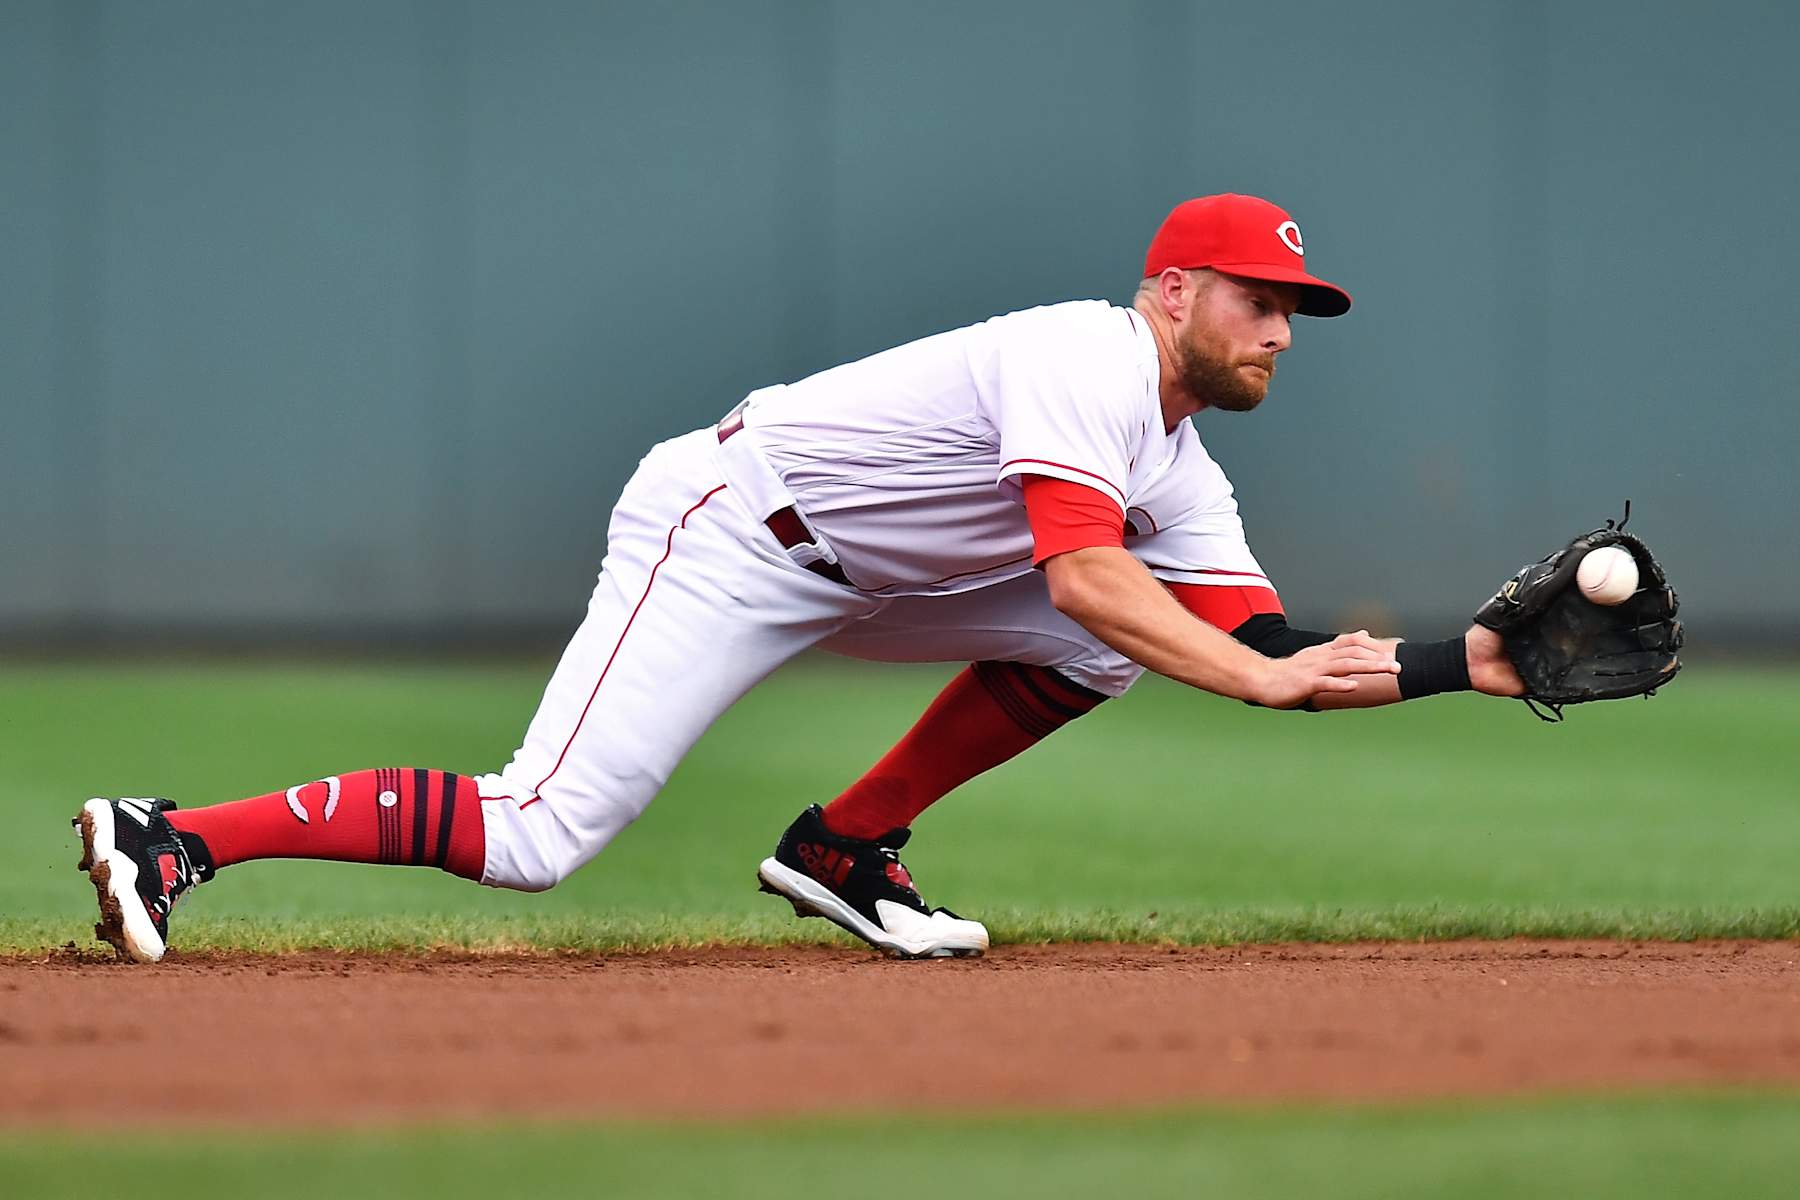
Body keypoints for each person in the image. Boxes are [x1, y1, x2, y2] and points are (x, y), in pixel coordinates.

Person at [74, 193, 1525, 963]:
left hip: (883, 578)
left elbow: (1261, 642)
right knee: (540, 832)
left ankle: (845, 847)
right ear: (1171, 293)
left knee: (1129, 640)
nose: (1281, 327)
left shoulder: (1185, 470)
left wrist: (1468, 662)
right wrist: (1260, 669)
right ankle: (175, 833)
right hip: (729, 531)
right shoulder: (1089, 356)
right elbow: (1088, 581)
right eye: (1258, 299)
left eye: (1297, 310)